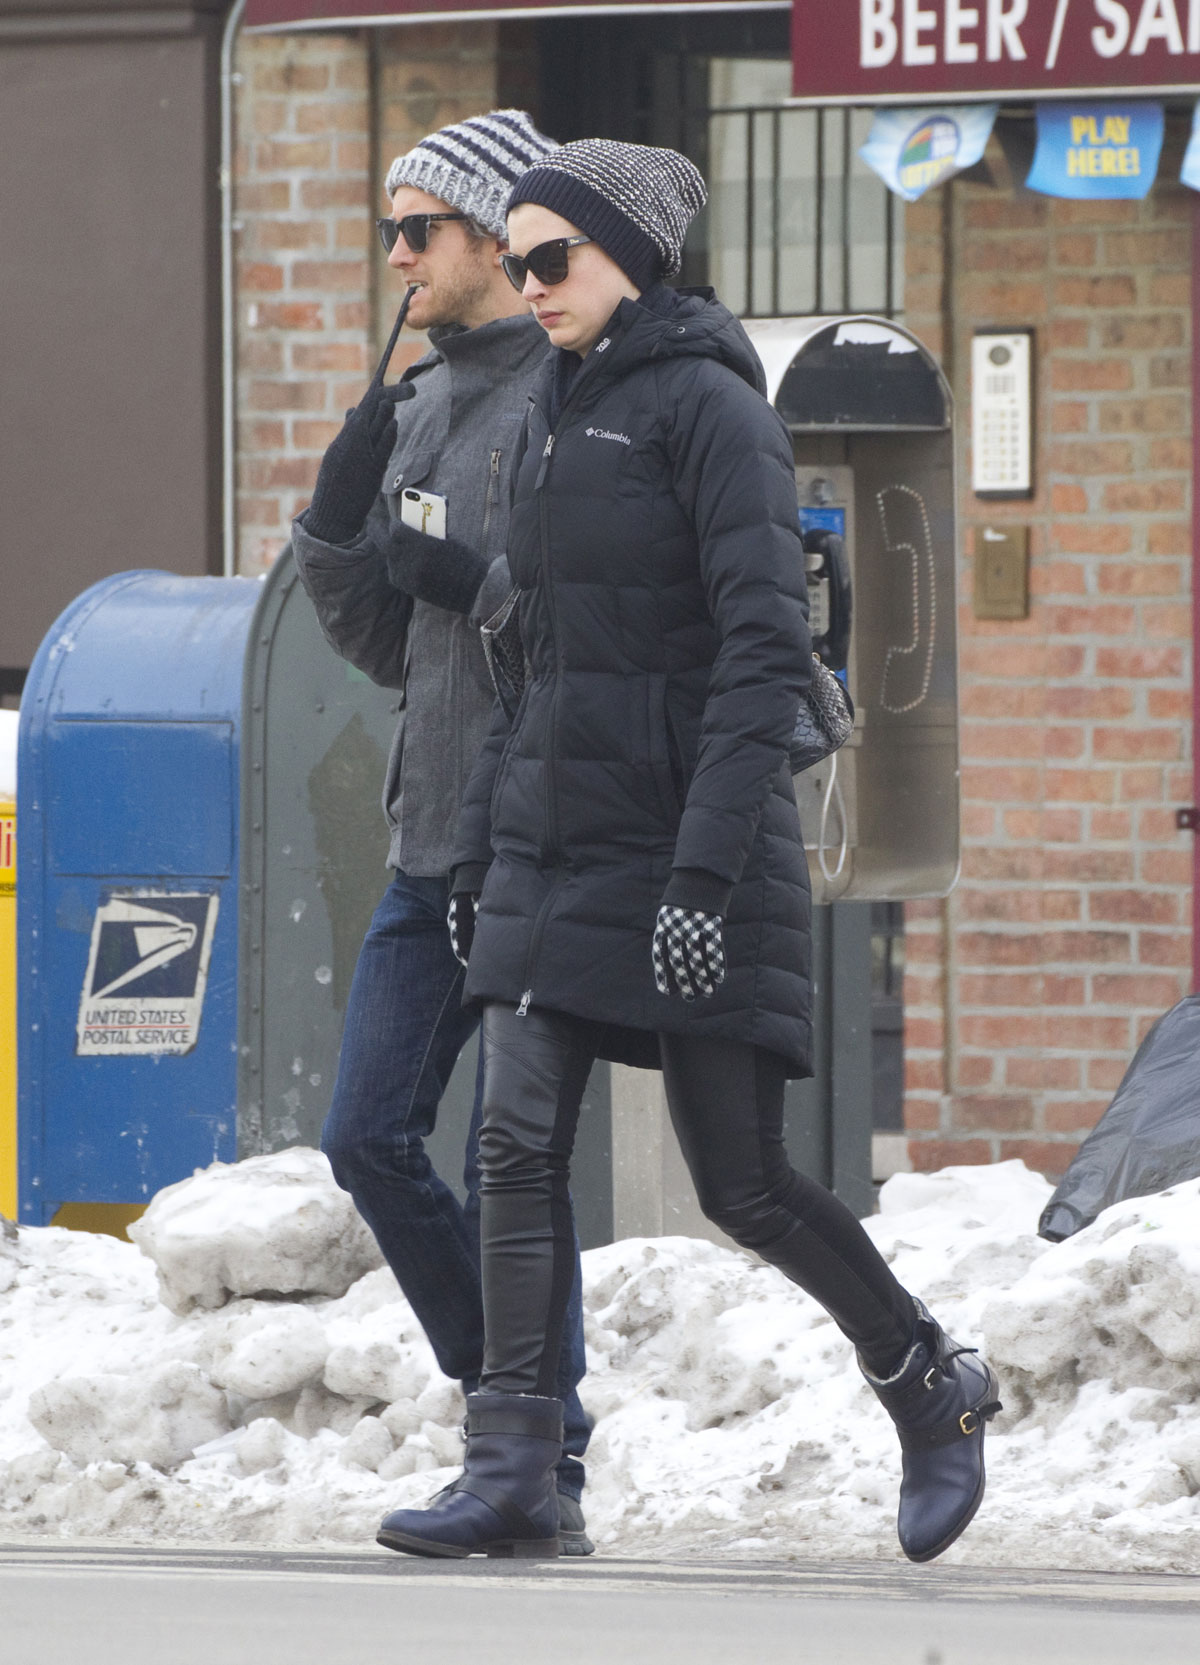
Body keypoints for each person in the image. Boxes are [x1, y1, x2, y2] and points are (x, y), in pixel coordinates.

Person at [376, 139, 1002, 1565]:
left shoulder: (715, 413)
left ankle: (930, 1382)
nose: (531, 286)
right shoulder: (548, 402)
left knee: (745, 1183)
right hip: (549, 839)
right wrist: (480, 850)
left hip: (684, 845)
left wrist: (707, 876)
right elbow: (531, 652)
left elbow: (764, 656)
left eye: (554, 259)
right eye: (518, 259)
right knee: (515, 1141)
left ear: (631, 258)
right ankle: (519, 1458)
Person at [288, 110, 594, 1553]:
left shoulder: (564, 398)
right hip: (430, 840)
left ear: (489, 236)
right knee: (368, 1132)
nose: (398, 254)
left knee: (507, 1156)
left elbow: (582, 631)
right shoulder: (419, 402)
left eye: (422, 229)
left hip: (533, 834)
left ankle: (534, 1458)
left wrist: (470, 578)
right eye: (391, 231)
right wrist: (338, 526)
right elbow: (381, 645)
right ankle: (523, 1411)